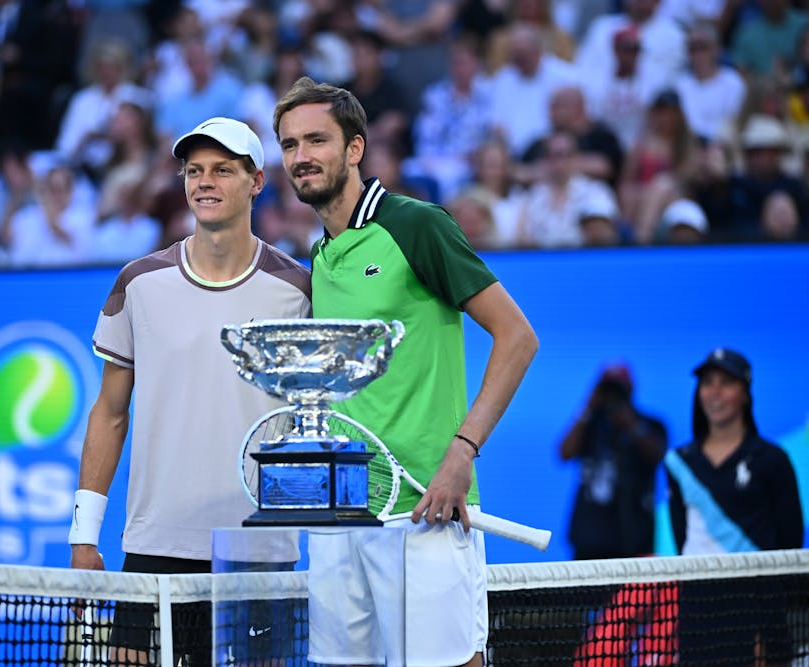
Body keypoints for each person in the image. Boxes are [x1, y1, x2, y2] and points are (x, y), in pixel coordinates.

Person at [273, 76, 538, 667]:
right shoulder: (316, 257)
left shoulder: (417, 225)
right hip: (340, 514)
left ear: (355, 149)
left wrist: (462, 452)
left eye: (316, 140)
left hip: (424, 506)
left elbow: (518, 337)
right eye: (290, 145)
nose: (302, 157)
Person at [68, 116, 311, 667]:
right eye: (194, 170)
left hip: (260, 551)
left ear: (255, 182)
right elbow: (109, 414)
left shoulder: (299, 291)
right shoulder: (139, 283)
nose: (204, 182)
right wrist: (84, 536)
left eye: (222, 170)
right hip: (155, 545)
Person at [665, 348, 804, 665]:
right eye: (707, 383)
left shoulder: (772, 459)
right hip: (697, 607)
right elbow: (681, 534)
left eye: (726, 383)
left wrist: (765, 621)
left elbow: (789, 540)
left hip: (757, 606)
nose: (714, 393)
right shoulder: (678, 463)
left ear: (745, 392)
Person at [559, 364, 668, 560]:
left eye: (617, 390)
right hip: (588, 543)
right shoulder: (590, 425)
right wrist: (586, 410)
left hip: (634, 542)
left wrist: (631, 425)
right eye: (606, 390)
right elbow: (564, 453)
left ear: (630, 392)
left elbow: (658, 455)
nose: (612, 397)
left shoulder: (650, 424)